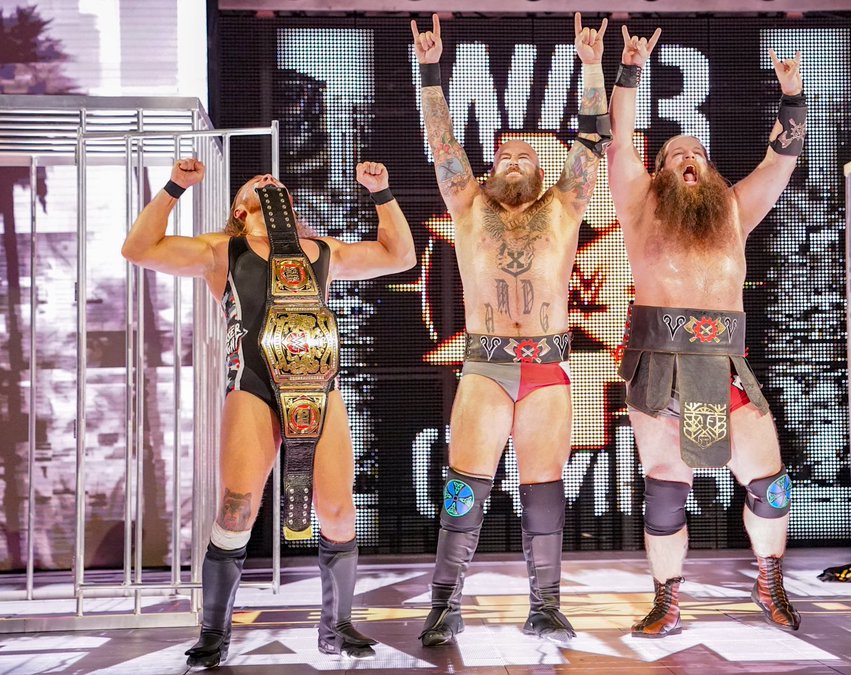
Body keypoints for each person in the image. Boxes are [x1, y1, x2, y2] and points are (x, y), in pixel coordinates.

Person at [121, 159, 416, 667]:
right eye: (254, 181)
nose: (267, 178)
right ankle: (214, 632)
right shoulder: (220, 249)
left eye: (275, 181)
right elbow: (139, 249)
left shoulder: (322, 250)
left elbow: (400, 256)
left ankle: (337, 624)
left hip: (318, 388)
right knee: (236, 507)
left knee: (339, 510)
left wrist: (382, 194)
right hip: (253, 385)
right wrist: (174, 188)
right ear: (240, 207)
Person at [410, 12, 609, 646]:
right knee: (464, 485)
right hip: (487, 363)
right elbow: (442, 144)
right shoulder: (468, 205)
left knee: (544, 489)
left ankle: (544, 604)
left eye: (529, 154)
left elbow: (592, 144)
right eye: (508, 153)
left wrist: (593, 68)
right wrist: (432, 72)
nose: (518, 159)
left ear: (543, 169)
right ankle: (445, 604)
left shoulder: (564, 206)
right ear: (493, 165)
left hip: (548, 365)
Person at [607, 24, 807, 637]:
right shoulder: (640, 205)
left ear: (713, 170)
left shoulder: (733, 210)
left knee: (768, 485)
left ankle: (769, 580)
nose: (687, 159)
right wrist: (631, 71)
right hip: (659, 363)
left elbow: (783, 156)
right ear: (658, 171)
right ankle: (667, 598)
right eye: (674, 155)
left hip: (721, 365)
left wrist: (794, 95)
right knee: (666, 489)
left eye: (697, 153)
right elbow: (618, 138)